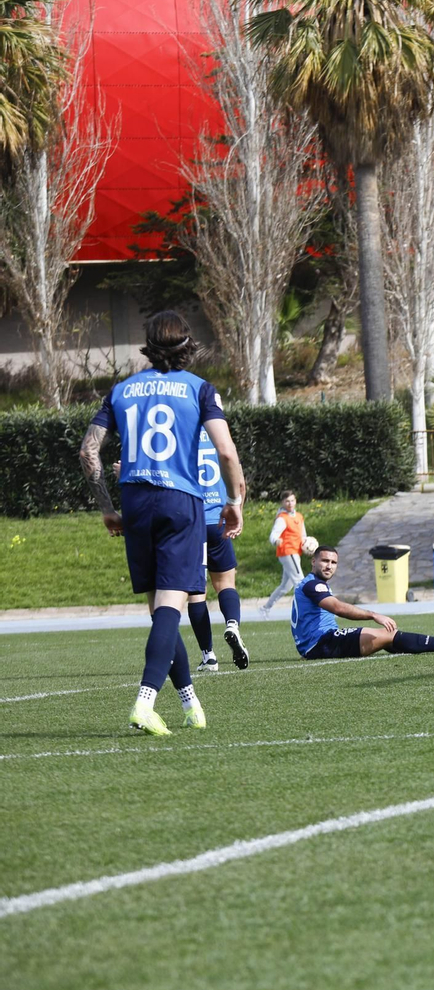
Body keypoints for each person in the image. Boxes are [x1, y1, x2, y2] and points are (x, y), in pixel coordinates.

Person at [79, 310, 246, 736]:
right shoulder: (199, 389)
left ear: (148, 346)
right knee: (172, 608)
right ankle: (145, 700)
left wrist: (106, 508)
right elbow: (226, 453)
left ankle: (190, 703)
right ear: (188, 344)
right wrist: (234, 501)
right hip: (180, 503)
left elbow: (88, 452)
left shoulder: (121, 391)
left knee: (161, 612)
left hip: (135, 502)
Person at [291, 545, 434, 659]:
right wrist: (373, 614)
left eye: (333, 562)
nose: (329, 566)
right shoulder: (313, 585)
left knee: (388, 639)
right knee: (386, 635)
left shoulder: (314, 584)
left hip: (321, 641)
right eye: (324, 561)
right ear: (313, 562)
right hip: (320, 643)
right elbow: (338, 608)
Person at [187, 428, 250, 671]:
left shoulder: (181, 433)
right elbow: (240, 481)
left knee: (196, 592)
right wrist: (239, 513)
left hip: (191, 524)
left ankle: (208, 655)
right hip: (218, 521)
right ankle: (232, 624)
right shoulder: (219, 437)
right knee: (225, 584)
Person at [260, 491, 306, 615]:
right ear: (282, 503)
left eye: (292, 500)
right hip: (287, 552)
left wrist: (307, 544)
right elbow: (273, 534)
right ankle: (304, 611)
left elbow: (303, 535)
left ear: (296, 501)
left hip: (295, 552)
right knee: (300, 581)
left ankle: (265, 608)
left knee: (285, 587)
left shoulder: (299, 516)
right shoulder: (282, 518)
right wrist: (276, 540)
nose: (290, 503)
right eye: (287, 501)